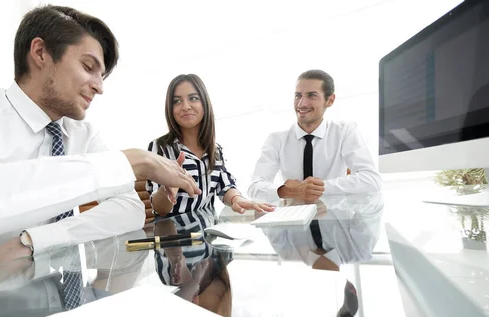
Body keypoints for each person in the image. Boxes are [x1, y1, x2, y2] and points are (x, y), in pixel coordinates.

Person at [0, 5, 200, 288]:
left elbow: (129, 209)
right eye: (89, 67)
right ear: (40, 53)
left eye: (102, 76)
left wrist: (32, 242)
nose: (99, 87)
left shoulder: (82, 134)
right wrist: (132, 161)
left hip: (58, 285)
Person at [147, 74, 274, 216]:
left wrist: (236, 199)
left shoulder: (214, 149)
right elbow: (159, 208)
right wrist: (168, 190)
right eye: (177, 101)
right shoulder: (159, 147)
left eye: (193, 98)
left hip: (206, 232)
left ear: (204, 103)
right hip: (172, 234)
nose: (186, 106)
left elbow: (225, 186)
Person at [248, 69, 382, 203]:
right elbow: (254, 188)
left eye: (311, 95)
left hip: (334, 219)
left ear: (330, 100)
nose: (301, 103)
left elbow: (371, 179)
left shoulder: (344, 132)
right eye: (298, 96)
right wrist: (288, 191)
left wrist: (319, 188)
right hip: (293, 219)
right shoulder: (276, 139)